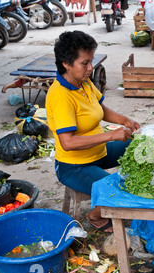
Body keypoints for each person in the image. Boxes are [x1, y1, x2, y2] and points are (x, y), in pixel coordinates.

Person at [46, 31, 140, 232]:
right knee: (115, 189)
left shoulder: (84, 82)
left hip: (98, 153)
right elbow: (68, 143)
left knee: (141, 148)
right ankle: (95, 217)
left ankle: (129, 191)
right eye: (84, 63)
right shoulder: (61, 96)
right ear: (66, 63)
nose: (90, 68)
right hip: (73, 167)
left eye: (91, 62)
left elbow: (101, 110)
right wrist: (111, 135)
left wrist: (125, 120)